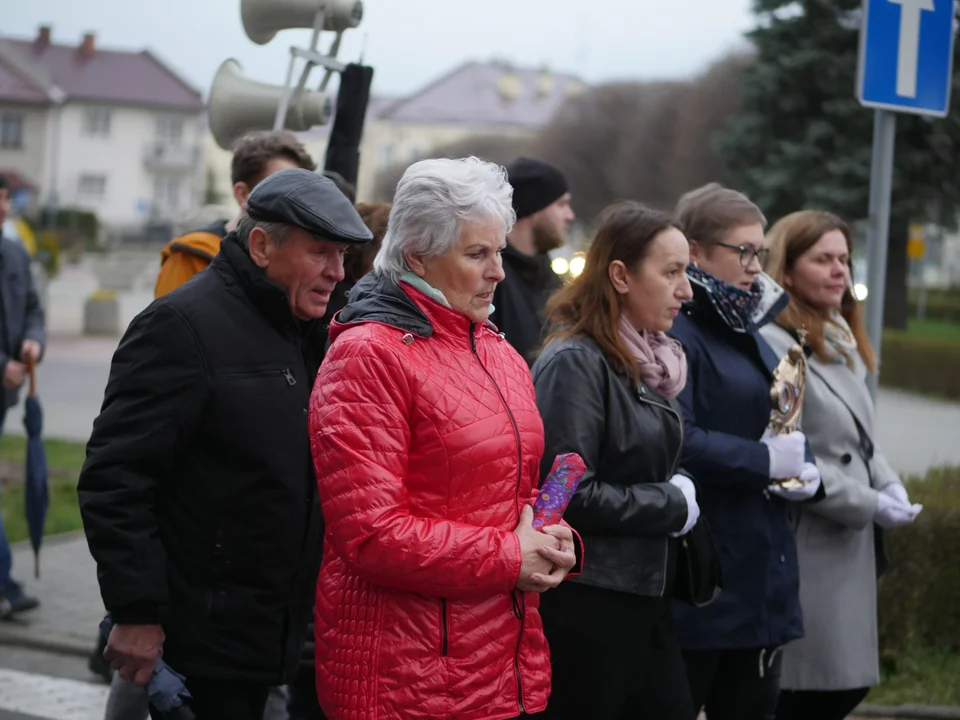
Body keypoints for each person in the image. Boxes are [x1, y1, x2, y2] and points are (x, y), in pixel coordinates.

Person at [77, 168, 374, 719]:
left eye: (342, 255)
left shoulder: (303, 327)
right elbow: (115, 480)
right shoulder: (180, 326)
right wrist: (136, 612)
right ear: (261, 245)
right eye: (321, 253)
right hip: (201, 643)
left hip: (269, 636)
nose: (338, 272)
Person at [309, 157, 579, 720]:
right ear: (418, 257)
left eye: (499, 251)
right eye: (477, 254)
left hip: (499, 665)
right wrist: (511, 555)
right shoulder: (368, 355)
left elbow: (508, 494)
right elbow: (371, 537)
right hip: (407, 678)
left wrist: (556, 540)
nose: (498, 271)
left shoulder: (496, 350)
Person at [531, 202, 701, 719]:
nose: (686, 289)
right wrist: (672, 505)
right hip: (592, 608)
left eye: (686, 272)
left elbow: (654, 458)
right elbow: (560, 497)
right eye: (671, 272)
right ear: (621, 275)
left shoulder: (647, 360)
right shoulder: (577, 364)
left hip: (645, 599)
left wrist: (681, 484)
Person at [668, 183, 823, 720]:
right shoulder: (681, 330)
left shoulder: (744, 323)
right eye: (744, 251)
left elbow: (774, 419)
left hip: (760, 577)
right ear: (695, 252)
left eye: (760, 251)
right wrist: (763, 464)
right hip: (709, 581)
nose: (756, 265)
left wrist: (802, 467)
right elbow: (676, 437)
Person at [759, 210, 922, 720]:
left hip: (845, 544)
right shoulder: (781, 347)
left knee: (839, 690)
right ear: (786, 270)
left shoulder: (837, 341)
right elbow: (784, 457)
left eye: (845, 259)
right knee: (811, 694)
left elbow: (862, 442)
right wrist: (871, 502)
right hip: (811, 543)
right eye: (823, 259)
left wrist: (890, 486)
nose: (840, 271)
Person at [285, 200, 390, 720]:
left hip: (310, 610)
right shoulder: (358, 345)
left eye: (343, 254)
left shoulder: (329, 327)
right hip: (308, 605)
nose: (335, 269)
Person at [153, 130, 318, 298]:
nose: (293, 203)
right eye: (279, 189)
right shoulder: (190, 257)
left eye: (299, 193)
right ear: (243, 194)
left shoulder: (300, 263)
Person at [0, 172, 45, 620]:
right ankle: (6, 584)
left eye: (5, 200)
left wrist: (33, 341)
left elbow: (33, 307)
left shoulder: (13, 252)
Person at [491, 157, 575, 365]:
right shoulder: (493, 278)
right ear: (534, 208)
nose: (570, 215)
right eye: (562, 204)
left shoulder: (549, 276)